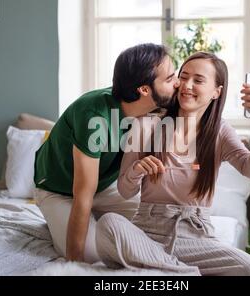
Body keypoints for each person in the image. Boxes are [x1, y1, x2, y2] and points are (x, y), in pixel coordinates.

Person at [95, 52, 250, 275]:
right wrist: (136, 171)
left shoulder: (220, 131)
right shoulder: (147, 125)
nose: (186, 85)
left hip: (197, 239)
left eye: (198, 80)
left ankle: (165, 267)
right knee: (109, 223)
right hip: (146, 234)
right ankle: (183, 271)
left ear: (216, 92)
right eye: (183, 76)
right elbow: (125, 190)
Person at [33, 43, 180, 263]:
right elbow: (83, 194)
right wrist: (76, 265)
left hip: (105, 187)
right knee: (92, 255)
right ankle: (59, 219)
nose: (177, 83)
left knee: (158, 230)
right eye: (169, 79)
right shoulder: (94, 115)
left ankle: (80, 222)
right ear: (144, 90)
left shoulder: (156, 107)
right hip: (59, 190)